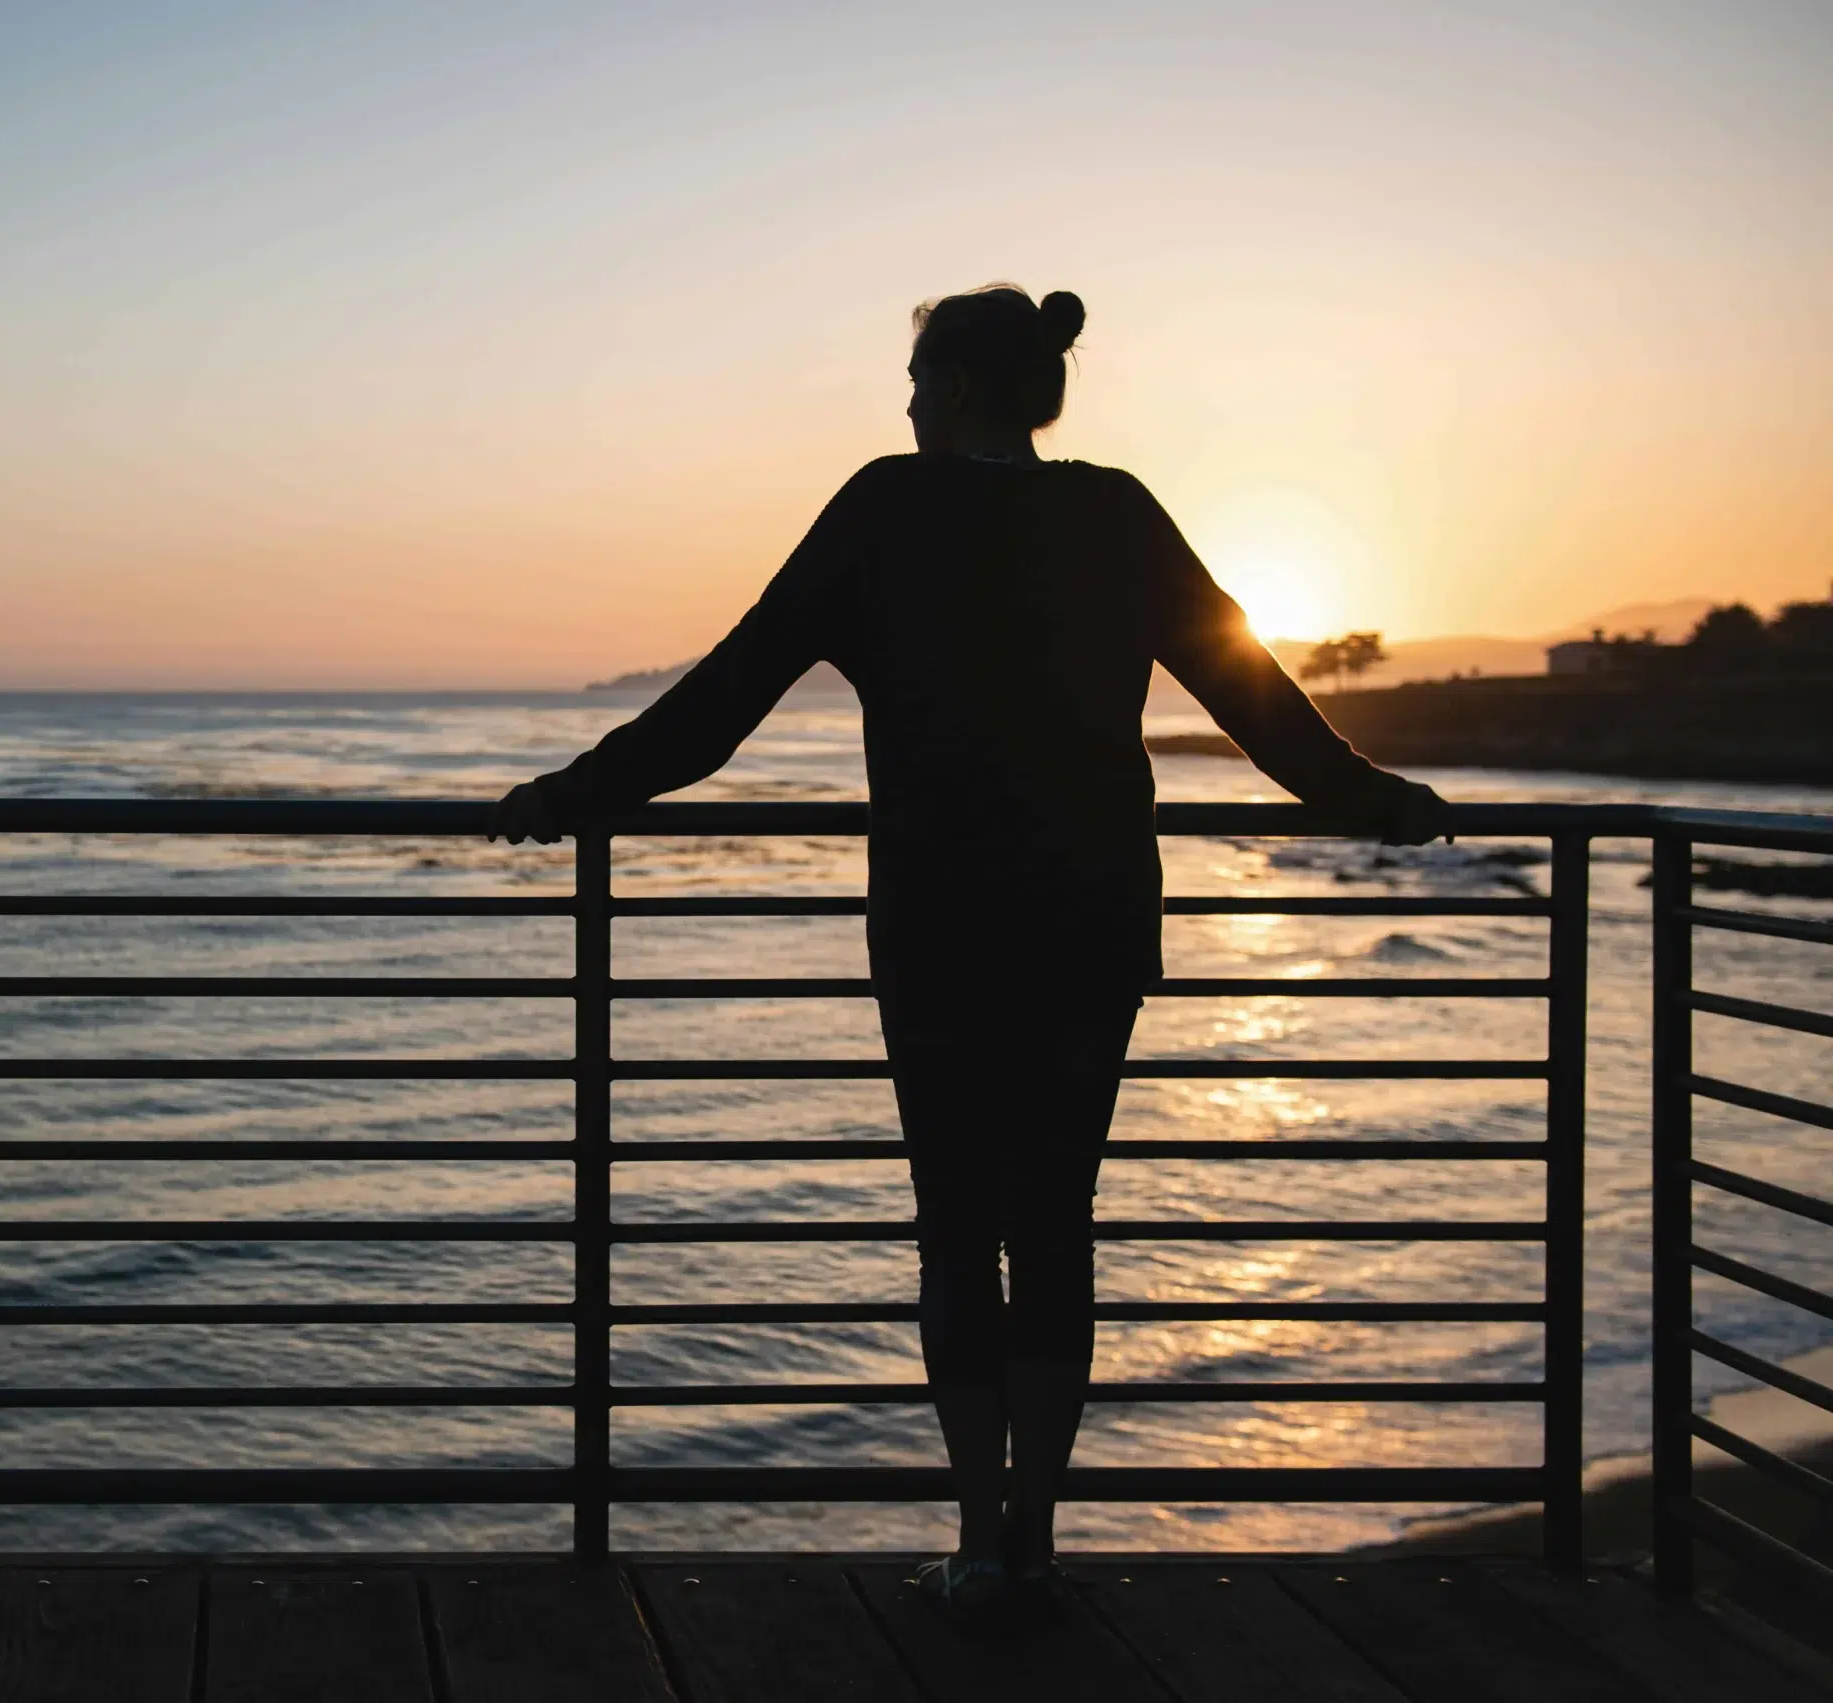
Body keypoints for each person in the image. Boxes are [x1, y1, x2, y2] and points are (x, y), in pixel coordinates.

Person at [487, 284, 1448, 1623]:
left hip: (940, 927)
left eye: (917, 378)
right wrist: (1376, 800)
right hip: (1091, 922)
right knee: (1055, 1231)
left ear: (956, 387)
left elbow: (722, 699)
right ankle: (1038, 1539)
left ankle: (983, 1544)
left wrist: (575, 792)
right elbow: (1252, 696)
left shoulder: (885, 507)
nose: (905, 403)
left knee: (957, 1234)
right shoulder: (1114, 512)